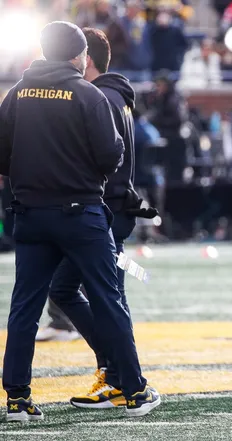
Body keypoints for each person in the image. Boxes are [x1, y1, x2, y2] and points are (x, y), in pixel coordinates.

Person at [0, 21, 160, 421]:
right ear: (80, 56)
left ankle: (17, 397)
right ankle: (135, 390)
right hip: (81, 214)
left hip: (31, 214)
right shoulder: (87, 94)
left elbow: (1, 156)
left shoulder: (17, 93)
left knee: (25, 307)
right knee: (109, 299)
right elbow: (110, 156)